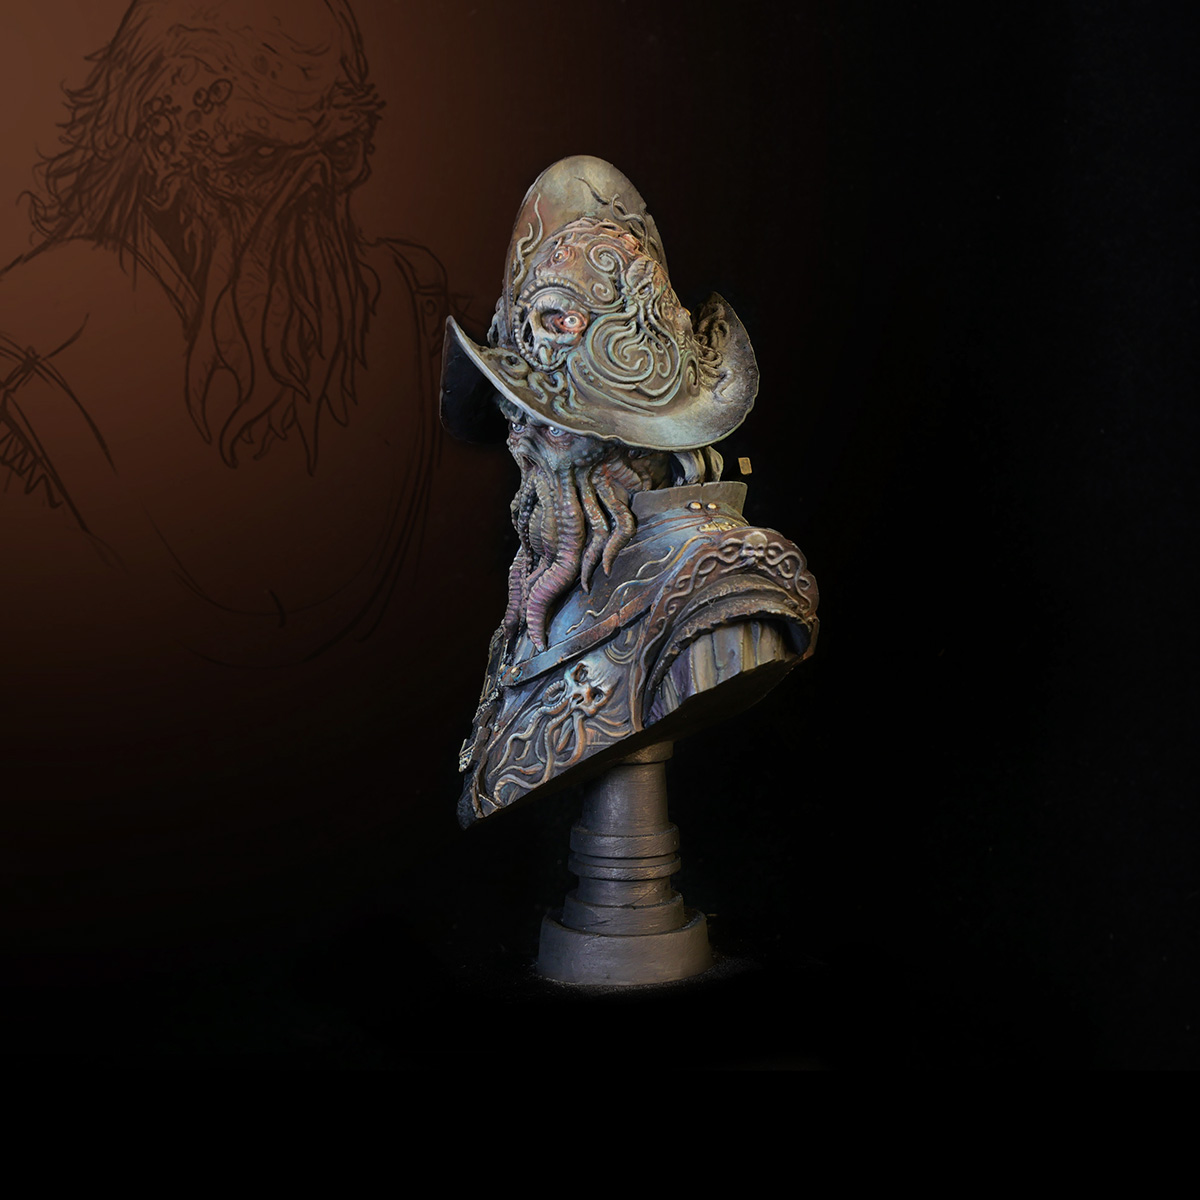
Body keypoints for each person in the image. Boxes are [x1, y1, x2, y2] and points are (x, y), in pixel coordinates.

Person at [441, 156, 820, 827]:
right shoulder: (547, 570)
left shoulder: (724, 582)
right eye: (510, 398)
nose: (518, 425)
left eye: (535, 405)